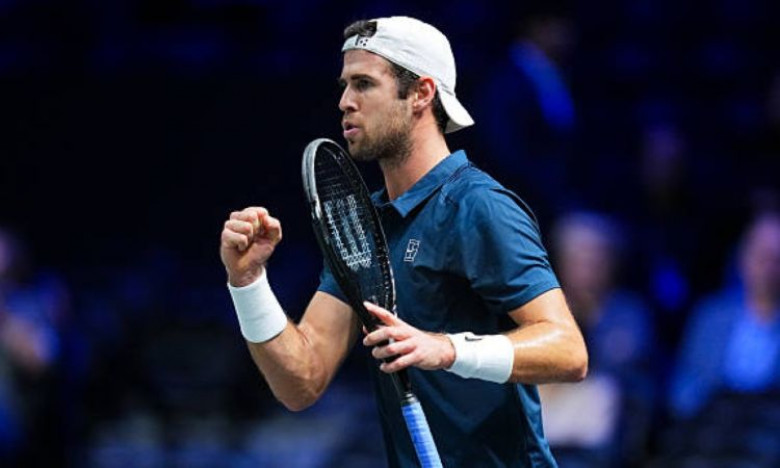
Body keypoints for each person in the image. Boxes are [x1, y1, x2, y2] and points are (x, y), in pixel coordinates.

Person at [220, 16, 587, 468]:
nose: (344, 101)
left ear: (421, 94)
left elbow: (568, 350)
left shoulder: (478, 206)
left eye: (364, 84)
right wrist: (248, 282)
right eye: (344, 85)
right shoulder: (362, 227)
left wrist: (447, 349)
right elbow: (302, 381)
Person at [669, 211, 780, 419]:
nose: (769, 269)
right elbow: (682, 389)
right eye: (762, 257)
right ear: (743, 258)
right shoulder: (711, 317)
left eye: (777, 260)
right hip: (711, 427)